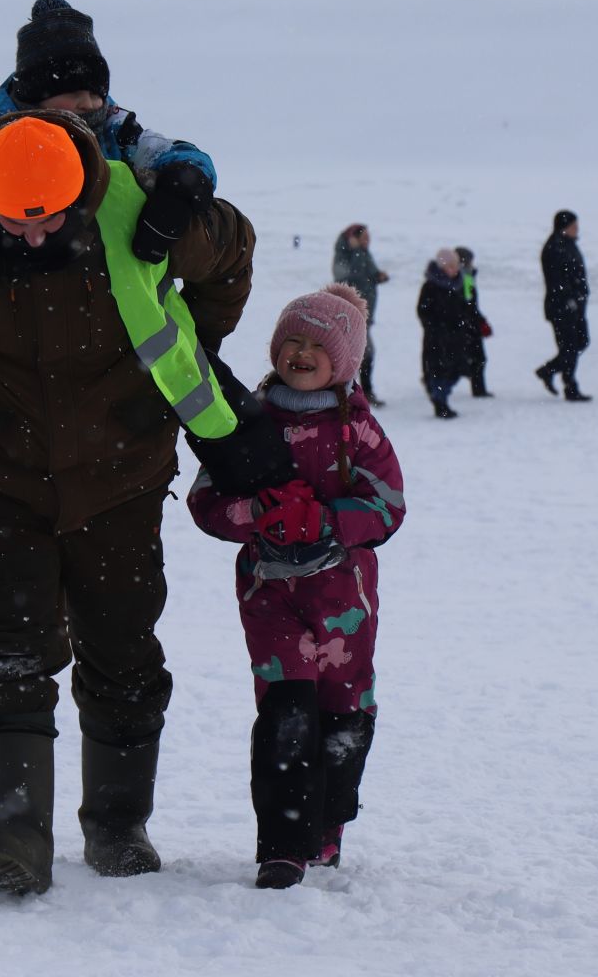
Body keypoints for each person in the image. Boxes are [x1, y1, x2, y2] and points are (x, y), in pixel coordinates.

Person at [0, 108, 279, 896]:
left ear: (80, 190)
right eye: (15, 223)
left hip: (120, 476)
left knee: (122, 648)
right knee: (6, 647)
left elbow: (233, 250)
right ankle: (14, 834)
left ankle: (118, 826)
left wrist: (198, 339)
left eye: (46, 221)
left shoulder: (145, 205)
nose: (32, 237)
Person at [0, 0, 230, 660]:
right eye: (61, 106)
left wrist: (183, 188)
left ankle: (263, 492)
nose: (79, 118)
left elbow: (189, 157)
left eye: (88, 102)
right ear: (28, 103)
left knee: (212, 397)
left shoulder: (122, 131)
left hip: (116, 328)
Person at [186, 284, 404, 889]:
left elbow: (388, 505)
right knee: (285, 714)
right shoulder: (246, 423)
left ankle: (326, 828)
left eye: (317, 345)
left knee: (341, 716)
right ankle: (282, 843)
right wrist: (258, 513)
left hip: (344, 606)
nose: (301, 354)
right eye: (292, 342)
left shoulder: (358, 430)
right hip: (270, 598)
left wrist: (331, 522)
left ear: (346, 360)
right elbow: (205, 502)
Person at [416, 248, 481, 419]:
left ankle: (439, 395)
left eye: (456, 265)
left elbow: (468, 306)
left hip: (457, 336)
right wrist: (434, 326)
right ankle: (440, 402)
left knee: (457, 369)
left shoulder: (461, 283)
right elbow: (423, 310)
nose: (454, 269)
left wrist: (466, 322)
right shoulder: (431, 286)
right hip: (437, 337)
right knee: (438, 370)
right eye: (450, 266)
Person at [331, 223, 390, 405]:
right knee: (359, 354)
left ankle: (359, 393)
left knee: (363, 354)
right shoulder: (344, 254)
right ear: (352, 238)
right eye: (363, 237)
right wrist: (356, 252)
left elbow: (367, 274)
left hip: (365, 314)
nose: (367, 240)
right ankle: (350, 394)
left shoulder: (364, 253)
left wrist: (378, 276)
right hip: (349, 315)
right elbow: (345, 276)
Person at [536, 210, 591, 402]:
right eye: (574, 226)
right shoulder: (554, 248)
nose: (577, 229)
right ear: (564, 227)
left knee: (581, 342)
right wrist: (569, 299)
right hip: (561, 307)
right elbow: (556, 280)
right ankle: (570, 386)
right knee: (569, 347)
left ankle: (548, 370)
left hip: (576, 305)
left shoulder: (569, 245)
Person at [455, 245, 493, 397]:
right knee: (477, 358)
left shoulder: (464, 277)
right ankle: (479, 389)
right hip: (468, 324)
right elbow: (470, 304)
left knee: (471, 358)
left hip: (467, 323)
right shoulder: (466, 278)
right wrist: (479, 320)